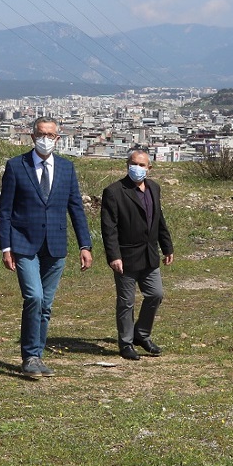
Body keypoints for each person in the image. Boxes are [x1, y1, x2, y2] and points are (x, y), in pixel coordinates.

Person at [0, 117, 92, 377]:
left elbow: (76, 208)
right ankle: (29, 355)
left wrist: (85, 244)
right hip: (24, 244)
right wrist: (5, 247)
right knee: (34, 297)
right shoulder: (16, 166)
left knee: (46, 304)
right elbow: (5, 210)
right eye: (41, 134)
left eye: (50, 135)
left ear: (58, 138)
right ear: (32, 136)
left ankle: (37, 355)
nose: (45, 139)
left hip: (55, 245)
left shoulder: (66, 168)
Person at [101, 147, 174, 360]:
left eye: (142, 165)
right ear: (127, 165)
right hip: (125, 256)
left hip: (150, 254)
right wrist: (114, 255)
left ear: (149, 168)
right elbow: (109, 228)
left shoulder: (154, 188)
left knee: (156, 294)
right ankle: (125, 343)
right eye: (134, 164)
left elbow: (159, 220)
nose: (137, 168)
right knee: (126, 301)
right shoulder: (114, 191)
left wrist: (167, 246)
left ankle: (141, 334)